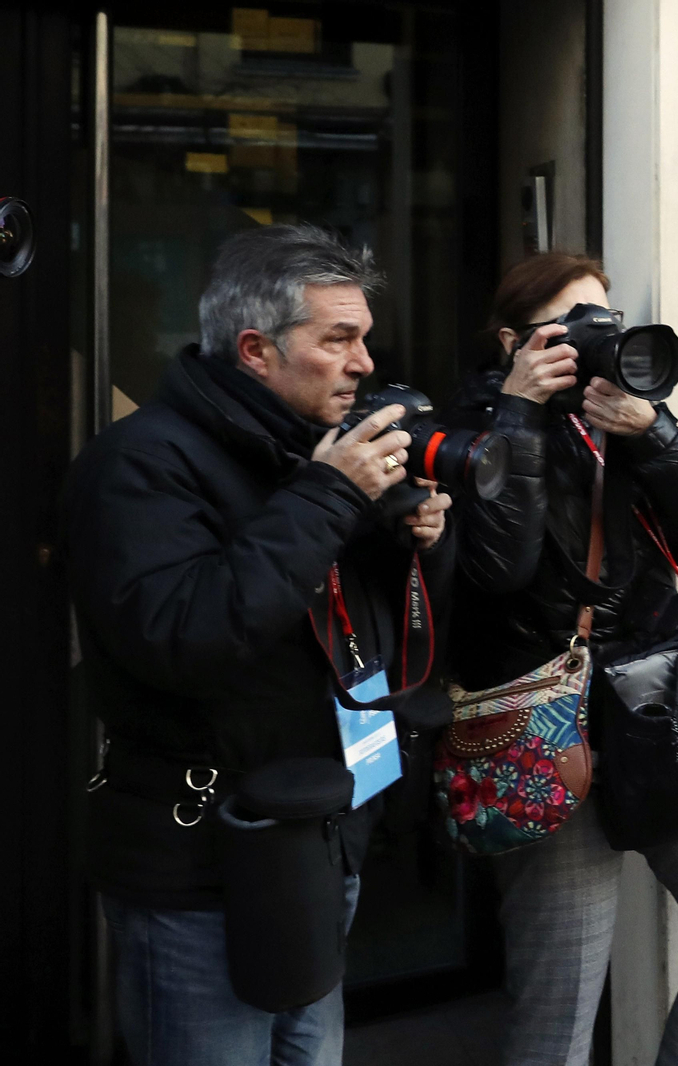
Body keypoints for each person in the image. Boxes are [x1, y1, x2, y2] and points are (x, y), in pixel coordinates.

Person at [65, 224, 455, 1066]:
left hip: (315, 835)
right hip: (201, 855)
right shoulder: (139, 463)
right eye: (337, 340)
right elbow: (185, 637)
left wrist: (412, 541)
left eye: (364, 339)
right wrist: (329, 497)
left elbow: (344, 628)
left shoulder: (314, 453)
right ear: (255, 350)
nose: (362, 364)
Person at [443, 252, 678, 1066]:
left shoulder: (624, 417)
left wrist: (656, 433)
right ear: (514, 343)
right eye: (572, 326)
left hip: (660, 714)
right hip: (548, 736)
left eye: (606, 320)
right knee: (561, 1011)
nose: (597, 340)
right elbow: (501, 570)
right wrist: (520, 415)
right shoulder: (467, 436)